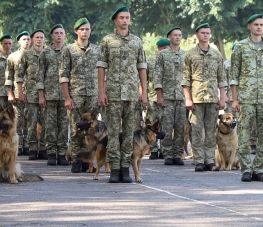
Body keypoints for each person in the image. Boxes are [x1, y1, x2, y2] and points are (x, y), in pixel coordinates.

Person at [97, 6, 149, 183]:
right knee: (112, 133)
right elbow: (101, 67)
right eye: (121, 17)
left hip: (132, 94)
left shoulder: (137, 41)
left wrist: (144, 93)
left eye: (127, 17)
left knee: (128, 133)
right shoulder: (107, 41)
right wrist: (102, 92)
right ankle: (114, 169)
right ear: (115, 20)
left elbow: (142, 67)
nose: (125, 20)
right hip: (112, 93)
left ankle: (125, 169)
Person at [230, 14, 263, 181]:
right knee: (244, 133)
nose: (259, 27)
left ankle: (259, 169)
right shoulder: (241, 47)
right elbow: (234, 74)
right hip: (245, 97)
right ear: (249, 27)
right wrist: (235, 99)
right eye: (256, 25)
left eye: (262, 24)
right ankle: (245, 168)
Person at [182, 23, 227, 172]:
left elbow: (222, 78)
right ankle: (199, 160)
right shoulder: (190, 54)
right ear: (197, 35)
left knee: (210, 131)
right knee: (196, 130)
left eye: (208, 33)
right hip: (196, 99)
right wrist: (187, 98)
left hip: (212, 98)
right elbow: (185, 79)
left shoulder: (216, 54)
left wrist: (223, 97)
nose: (205, 35)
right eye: (202, 33)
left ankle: (210, 160)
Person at [59, 18, 100, 173]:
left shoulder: (97, 50)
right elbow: (63, 75)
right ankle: (77, 159)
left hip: (93, 95)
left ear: (90, 31)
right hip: (75, 95)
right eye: (82, 29)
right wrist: (67, 97)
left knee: (91, 130)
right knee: (77, 129)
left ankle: (88, 160)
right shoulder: (68, 50)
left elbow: (102, 73)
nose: (85, 32)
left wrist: (102, 93)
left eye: (87, 29)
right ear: (76, 31)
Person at [152, 30, 187, 166]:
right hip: (167, 96)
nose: (177, 37)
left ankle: (177, 153)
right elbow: (157, 76)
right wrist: (159, 96)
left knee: (180, 126)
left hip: (182, 96)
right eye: (175, 35)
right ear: (169, 37)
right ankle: (167, 153)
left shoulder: (186, 55)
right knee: (166, 126)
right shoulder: (162, 55)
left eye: (179, 35)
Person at [39, 24, 68, 166]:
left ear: (65, 35)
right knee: (49, 125)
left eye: (61, 33)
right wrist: (41, 95)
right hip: (49, 95)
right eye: (56, 33)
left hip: (65, 95)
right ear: (52, 36)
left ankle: (62, 153)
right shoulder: (45, 52)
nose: (59, 35)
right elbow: (40, 75)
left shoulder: (69, 51)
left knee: (63, 124)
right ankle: (51, 153)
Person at [16, 29, 46, 160]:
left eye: (41, 37)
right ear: (32, 39)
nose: (39, 39)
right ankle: (32, 148)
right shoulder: (26, 55)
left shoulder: (49, 53)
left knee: (46, 122)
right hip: (31, 94)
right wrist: (20, 92)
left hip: (48, 93)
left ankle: (44, 148)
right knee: (31, 122)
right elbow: (19, 75)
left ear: (44, 39)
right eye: (36, 37)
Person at [6, 30, 31, 156]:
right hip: (17, 92)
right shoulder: (12, 57)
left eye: (28, 39)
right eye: (24, 39)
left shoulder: (35, 55)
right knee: (18, 119)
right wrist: (10, 93)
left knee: (30, 120)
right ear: (19, 42)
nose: (27, 41)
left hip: (32, 93)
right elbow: (9, 76)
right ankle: (19, 145)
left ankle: (28, 145)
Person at [0, 34, 12, 111]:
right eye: (5, 43)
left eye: (9, 43)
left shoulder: (15, 57)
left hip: (12, 92)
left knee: (13, 116)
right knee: (0, 115)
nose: (8, 45)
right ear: (1, 43)